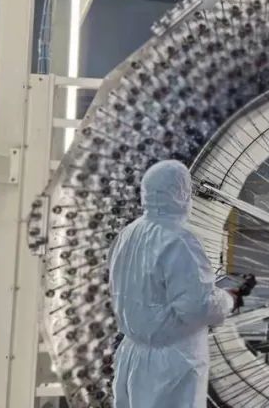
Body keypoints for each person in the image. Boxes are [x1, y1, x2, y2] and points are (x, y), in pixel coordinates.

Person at [109, 160, 241, 408]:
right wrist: (228, 299)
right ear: (180, 193)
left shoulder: (128, 234)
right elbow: (196, 308)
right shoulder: (178, 240)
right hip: (170, 367)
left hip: (132, 356)